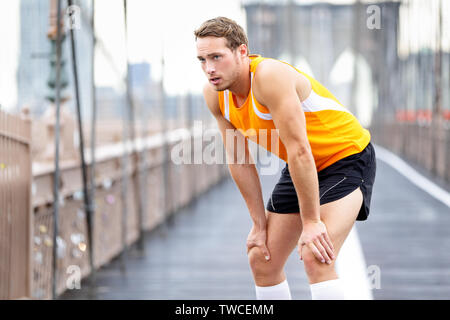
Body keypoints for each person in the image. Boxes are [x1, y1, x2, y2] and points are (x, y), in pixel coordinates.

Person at [194, 17, 376, 300]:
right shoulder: (215, 96)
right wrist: (257, 224)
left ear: (242, 52)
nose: (210, 69)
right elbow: (240, 161)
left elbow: (300, 149)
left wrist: (312, 221)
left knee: (316, 254)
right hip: (302, 165)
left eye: (217, 57)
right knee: (261, 257)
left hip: (346, 156)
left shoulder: (269, 77)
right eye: (202, 60)